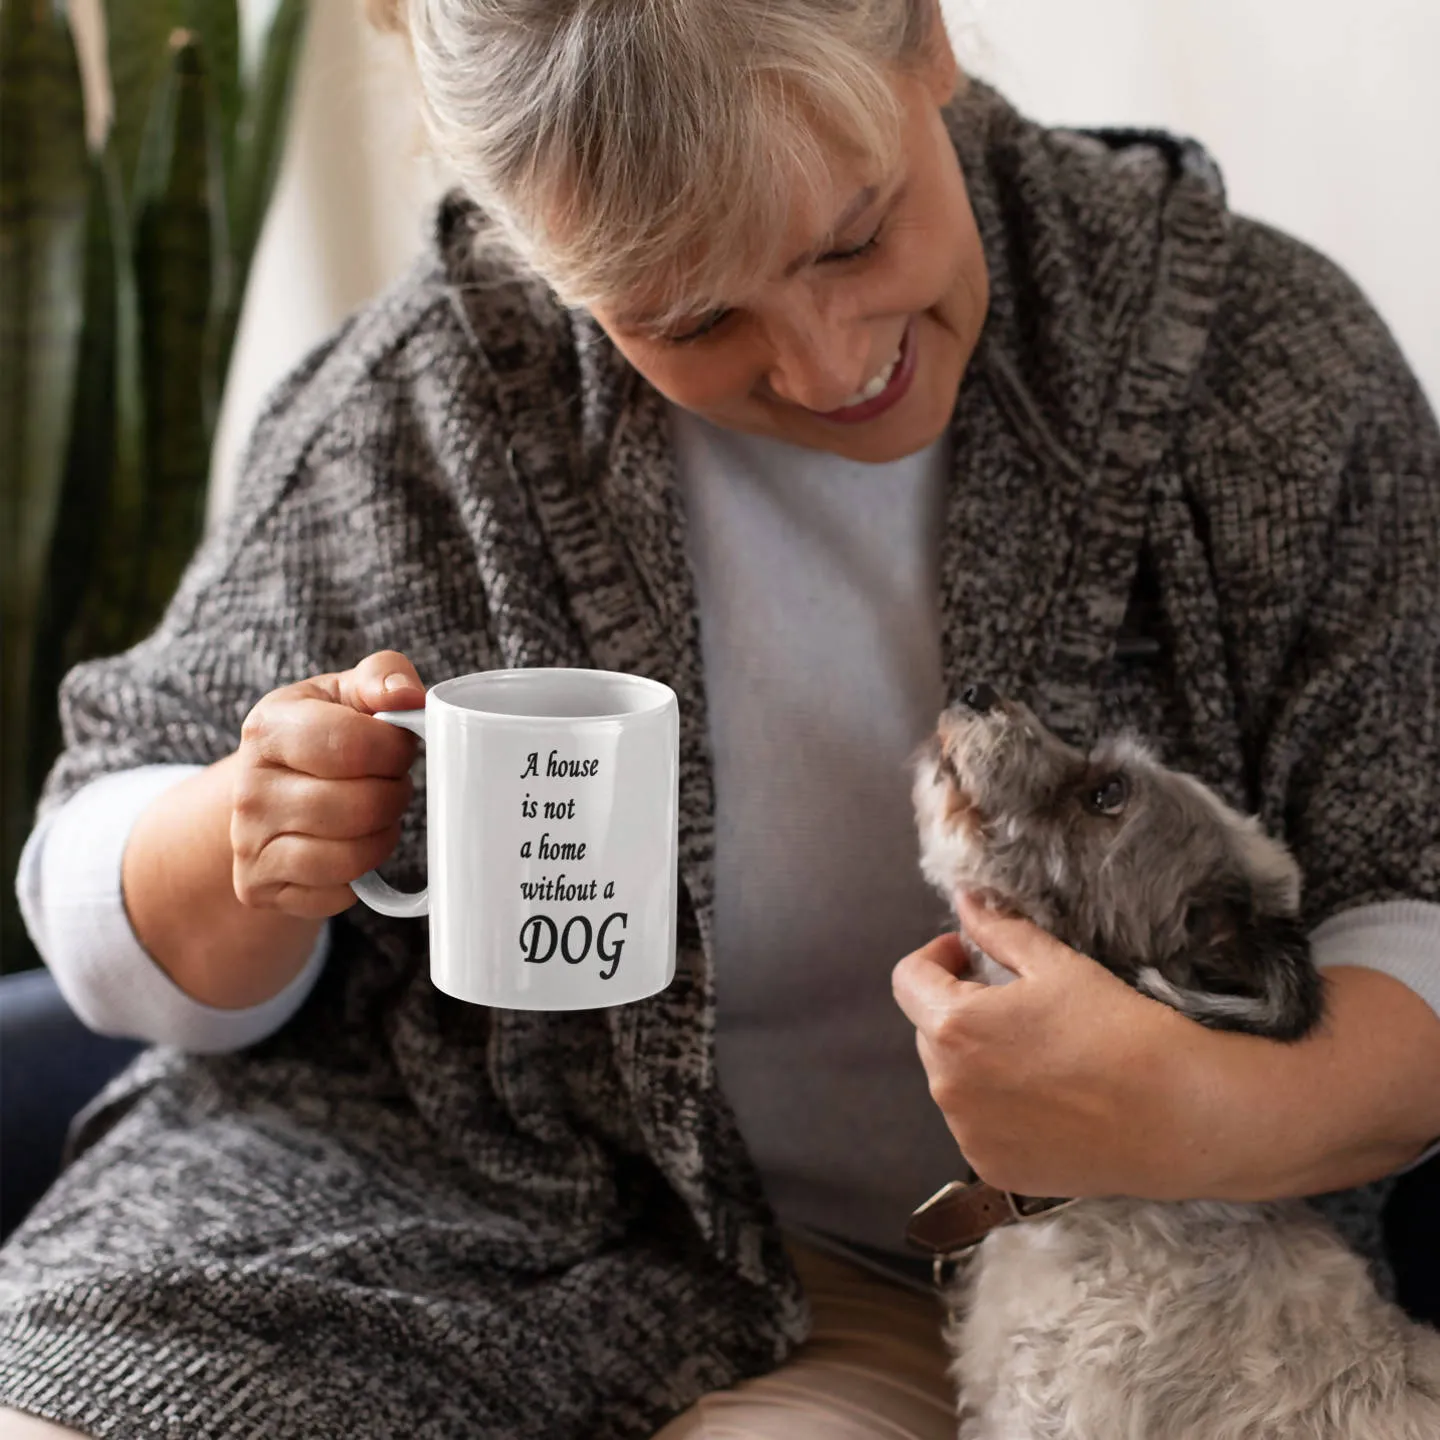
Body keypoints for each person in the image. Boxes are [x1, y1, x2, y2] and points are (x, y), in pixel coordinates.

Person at [3, 1, 1439, 1435]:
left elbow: (1415, 884)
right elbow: (97, 901)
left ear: (925, 38)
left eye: (854, 236)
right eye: (691, 318)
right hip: (410, 1216)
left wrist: (1204, 1121)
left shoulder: (1256, 372)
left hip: (975, 1299)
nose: (828, 365)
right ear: (548, 265)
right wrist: (242, 836)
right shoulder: (422, 415)